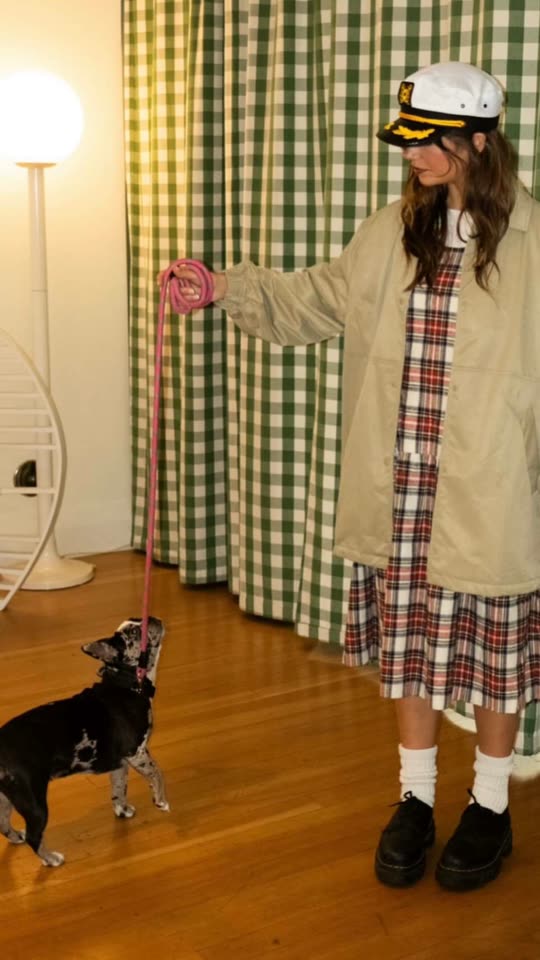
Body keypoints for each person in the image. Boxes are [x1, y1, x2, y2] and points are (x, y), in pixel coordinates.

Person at [163, 62, 540, 892]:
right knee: (407, 652)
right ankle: (415, 798)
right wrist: (223, 288)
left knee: (493, 658)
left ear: (479, 141)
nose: (412, 156)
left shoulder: (533, 243)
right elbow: (314, 300)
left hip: (490, 489)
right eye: (407, 141)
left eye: (428, 141)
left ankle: (490, 806)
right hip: (399, 489)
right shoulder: (388, 233)